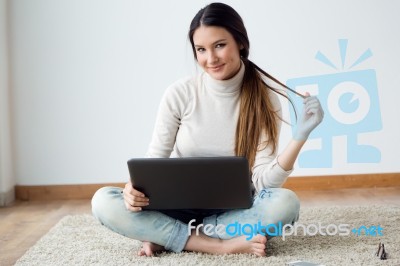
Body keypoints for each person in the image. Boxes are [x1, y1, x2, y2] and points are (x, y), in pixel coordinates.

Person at [91, 2, 324, 257]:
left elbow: (263, 183)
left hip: (233, 212)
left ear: (241, 43)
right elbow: (154, 160)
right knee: (103, 201)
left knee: (286, 204)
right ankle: (219, 244)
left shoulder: (265, 97)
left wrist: (300, 137)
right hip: (176, 208)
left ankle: (166, 236)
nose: (210, 59)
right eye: (201, 49)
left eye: (220, 45)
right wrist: (133, 190)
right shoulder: (180, 93)